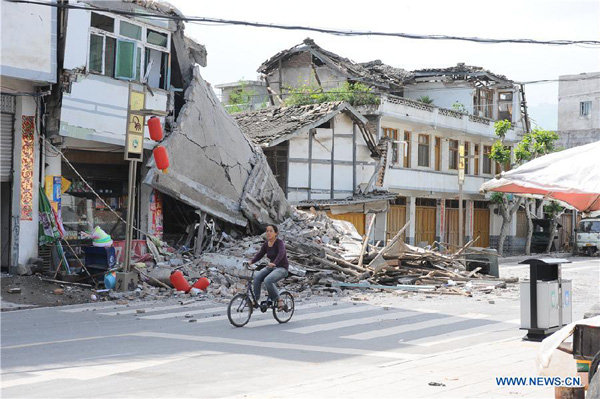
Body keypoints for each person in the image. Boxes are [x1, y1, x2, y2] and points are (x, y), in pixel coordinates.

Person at [249, 224, 289, 310]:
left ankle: (279, 300)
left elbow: (281, 254)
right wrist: (251, 262)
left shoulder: (279, 242)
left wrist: (274, 263)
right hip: (272, 267)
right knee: (257, 277)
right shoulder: (266, 244)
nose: (268, 233)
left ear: (276, 233)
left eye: (271, 231)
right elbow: (259, 255)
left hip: (282, 268)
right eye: (267, 231)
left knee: (268, 280)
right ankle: (255, 300)